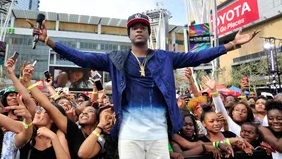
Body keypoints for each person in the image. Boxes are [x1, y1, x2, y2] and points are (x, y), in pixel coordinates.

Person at [28, 13, 259, 159]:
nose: (139, 29)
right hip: (129, 135)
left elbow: (196, 57)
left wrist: (231, 45)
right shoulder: (116, 59)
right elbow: (82, 58)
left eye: (143, 26)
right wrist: (49, 41)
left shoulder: (165, 58)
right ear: (129, 34)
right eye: (134, 27)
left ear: (148, 33)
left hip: (159, 135)